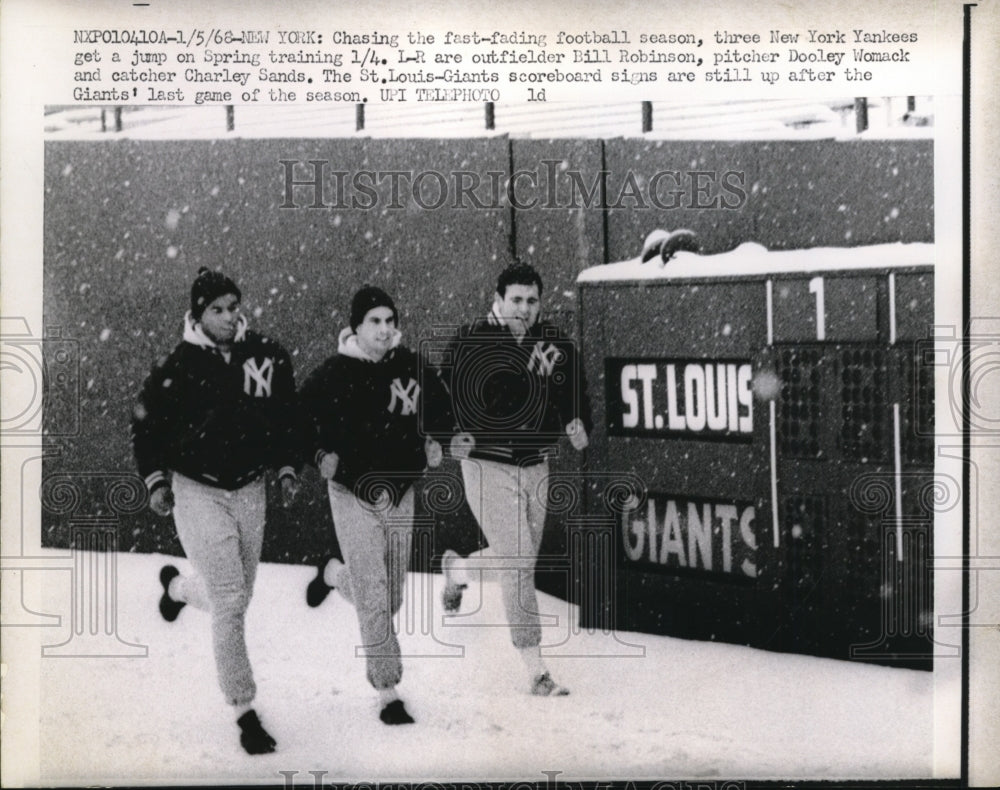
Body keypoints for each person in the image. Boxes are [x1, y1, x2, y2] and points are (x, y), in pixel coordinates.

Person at [131, 267, 301, 755]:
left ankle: (178, 589)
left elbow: (288, 415)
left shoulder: (268, 355)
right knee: (230, 601)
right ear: (197, 315)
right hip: (197, 490)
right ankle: (245, 710)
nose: (228, 318)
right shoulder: (177, 367)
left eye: (232, 307)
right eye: (216, 310)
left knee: (238, 595)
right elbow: (146, 428)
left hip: (249, 489)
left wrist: (288, 466)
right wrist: (157, 481)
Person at [299, 285, 453, 725]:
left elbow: (440, 410)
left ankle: (332, 574)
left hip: (401, 491)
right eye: (374, 322)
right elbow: (300, 421)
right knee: (373, 594)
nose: (385, 330)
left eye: (390, 321)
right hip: (353, 493)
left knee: (392, 597)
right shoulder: (333, 373)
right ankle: (388, 691)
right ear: (355, 328)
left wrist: (434, 440)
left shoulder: (411, 366)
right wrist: (318, 455)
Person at [439, 261, 592, 697]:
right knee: (520, 562)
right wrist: (449, 433)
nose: (524, 308)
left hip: (536, 465)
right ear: (499, 300)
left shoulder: (553, 342)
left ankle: (458, 568)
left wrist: (580, 423)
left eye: (532, 300)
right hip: (487, 464)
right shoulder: (472, 341)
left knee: (518, 562)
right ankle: (536, 668)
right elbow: (440, 397)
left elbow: (575, 392)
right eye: (516, 300)